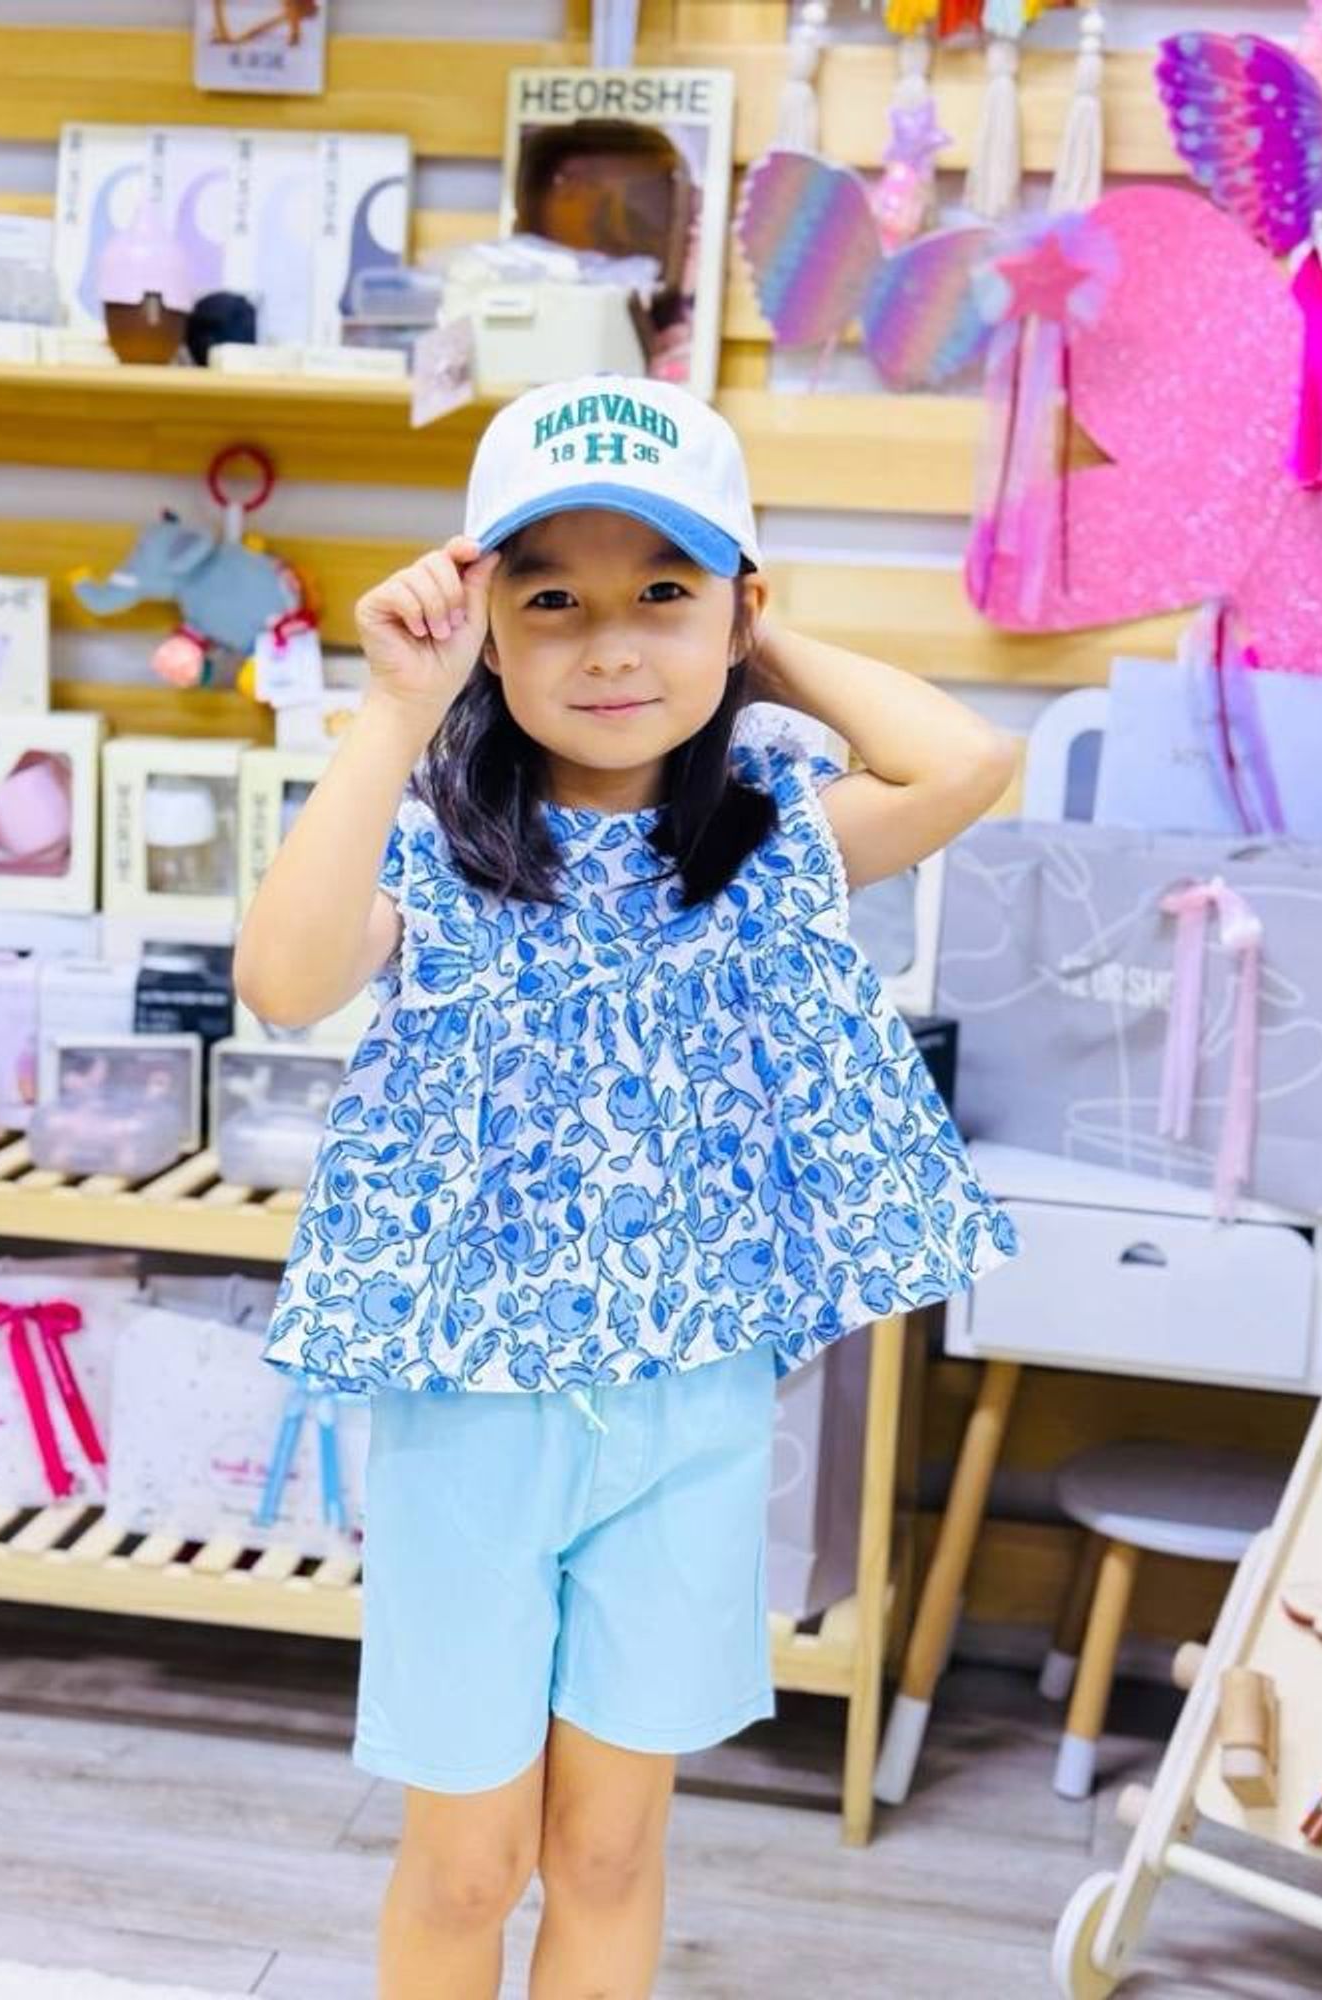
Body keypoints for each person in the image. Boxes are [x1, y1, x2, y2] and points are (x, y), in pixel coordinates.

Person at [233, 373, 1019, 1999]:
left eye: (660, 591)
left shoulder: (770, 836)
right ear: (485, 626)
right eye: (551, 601)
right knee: (468, 1864)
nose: (608, 647)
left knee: (607, 1852)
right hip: (469, 1402)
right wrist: (393, 711)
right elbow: (286, 981)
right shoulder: (430, 835)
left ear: (739, 608)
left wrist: (747, 638)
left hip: (690, 1397)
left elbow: (966, 758)